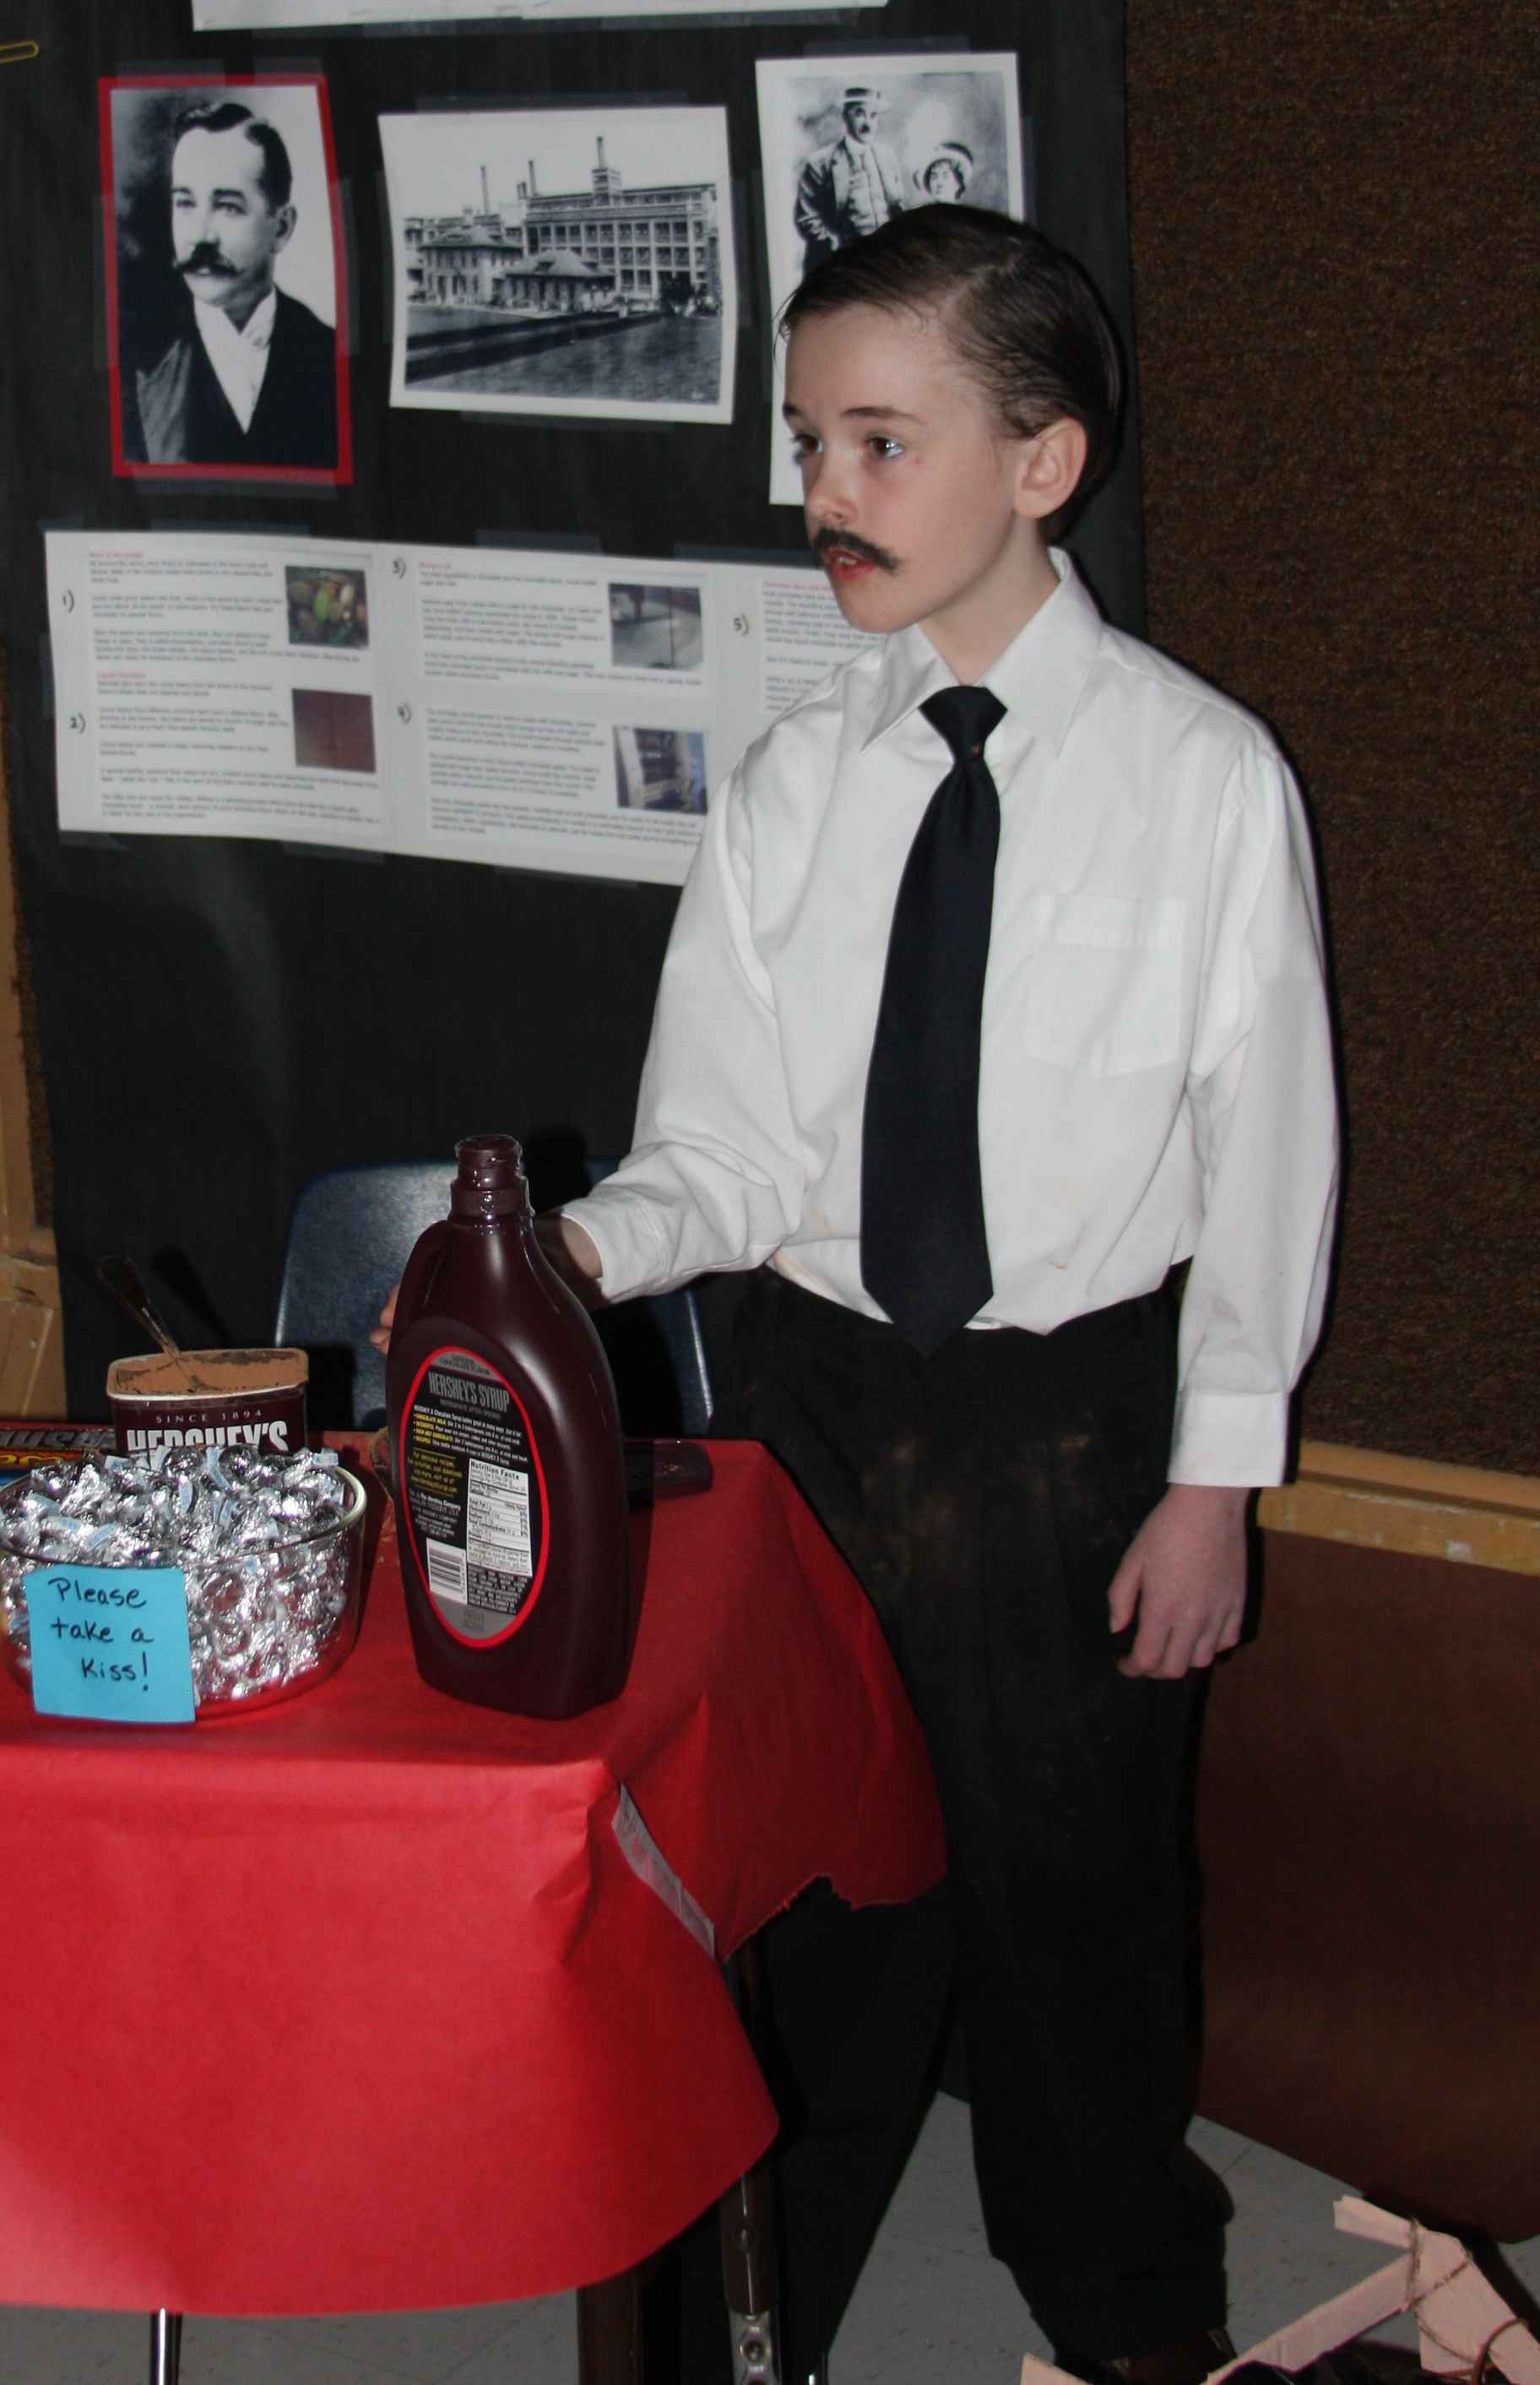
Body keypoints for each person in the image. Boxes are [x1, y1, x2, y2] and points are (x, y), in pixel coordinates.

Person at [381, 207, 1338, 2385]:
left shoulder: (1200, 781)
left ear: (1043, 461)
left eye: (881, 443)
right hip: (812, 1409)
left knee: (1076, 1896)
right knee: (806, 1900)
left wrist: (1214, 1476)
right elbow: (727, 1151)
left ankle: (1122, 2303)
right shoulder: (795, 782)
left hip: (1071, 1424)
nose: (822, 490)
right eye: (809, 441)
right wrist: (567, 1257)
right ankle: (749, 2319)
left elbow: (1271, 1159)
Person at [130, 98, 342, 469]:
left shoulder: (333, 357)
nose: (201, 236)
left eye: (227, 206)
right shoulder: (135, 359)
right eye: (185, 204)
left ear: (282, 228)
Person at [794, 81, 907, 263]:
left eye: (873, 115)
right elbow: (807, 218)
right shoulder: (820, 163)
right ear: (845, 117)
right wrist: (835, 247)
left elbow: (898, 207)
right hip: (847, 259)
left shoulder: (888, 158)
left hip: (887, 256)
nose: (868, 123)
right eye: (860, 114)